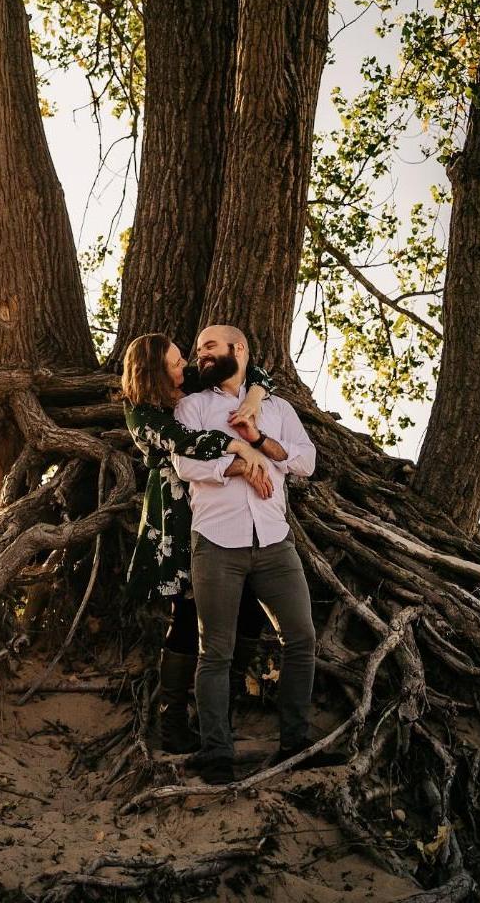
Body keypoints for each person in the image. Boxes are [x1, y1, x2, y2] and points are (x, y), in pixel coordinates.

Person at [172, 325, 318, 784]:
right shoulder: (193, 406)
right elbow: (186, 462)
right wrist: (242, 466)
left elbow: (306, 462)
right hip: (216, 542)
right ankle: (216, 752)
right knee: (215, 651)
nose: (201, 357)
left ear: (239, 349)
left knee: (302, 639)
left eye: (210, 347)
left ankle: (295, 742)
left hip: (275, 541)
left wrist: (258, 442)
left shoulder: (277, 408)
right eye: (197, 352)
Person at [118, 333, 276, 752]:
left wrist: (255, 396)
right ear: (153, 370)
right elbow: (183, 441)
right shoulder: (141, 411)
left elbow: (256, 372)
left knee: (247, 608)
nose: (184, 364)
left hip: (218, 506)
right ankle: (172, 721)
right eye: (174, 361)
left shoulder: (188, 385)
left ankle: (220, 710)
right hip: (178, 514)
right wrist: (239, 447)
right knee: (188, 616)